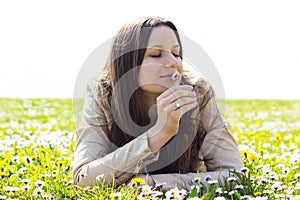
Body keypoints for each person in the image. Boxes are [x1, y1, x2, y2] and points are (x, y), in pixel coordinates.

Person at [73, 16, 243, 191]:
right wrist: (157, 135)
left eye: (176, 54)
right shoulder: (102, 94)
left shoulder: (198, 94)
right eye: (156, 54)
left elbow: (236, 175)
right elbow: (83, 178)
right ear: (128, 64)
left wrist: (156, 183)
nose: (174, 62)